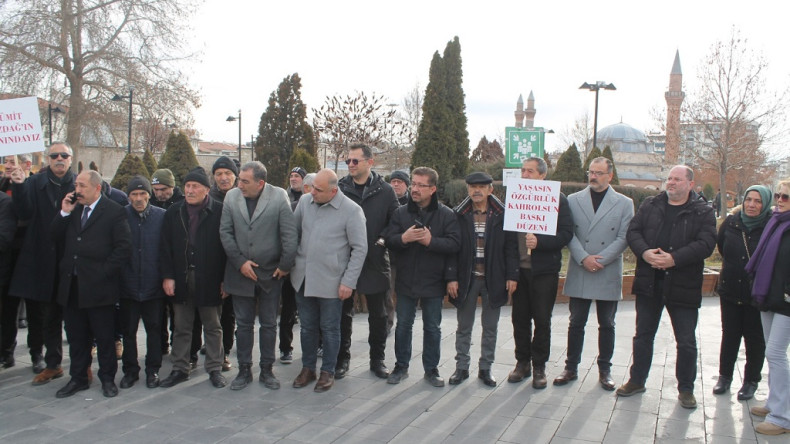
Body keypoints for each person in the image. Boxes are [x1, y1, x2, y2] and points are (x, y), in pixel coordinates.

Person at [616, 165, 716, 410]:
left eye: (677, 179)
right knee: (643, 336)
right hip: (649, 282)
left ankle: (686, 389)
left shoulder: (702, 211)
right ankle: (637, 380)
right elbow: (634, 231)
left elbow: (706, 244)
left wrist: (674, 259)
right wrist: (645, 252)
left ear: (690, 184)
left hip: (683, 285)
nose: (671, 183)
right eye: (669, 178)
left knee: (686, 341)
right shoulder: (651, 204)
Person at [553, 157, 633, 390]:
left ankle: (604, 370)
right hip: (581, 266)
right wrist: (583, 258)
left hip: (607, 269)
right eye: (591, 172)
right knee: (576, 322)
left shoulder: (624, 203)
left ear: (610, 175)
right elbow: (569, 232)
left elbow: (624, 236)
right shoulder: (574, 200)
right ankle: (571, 367)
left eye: (599, 173)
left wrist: (601, 260)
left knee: (607, 323)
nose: (593, 177)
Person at [51, 170, 132, 398]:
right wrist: (64, 212)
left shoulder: (114, 211)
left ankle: (107, 378)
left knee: (104, 336)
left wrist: (103, 272)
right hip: (72, 285)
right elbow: (53, 236)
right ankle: (78, 378)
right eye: (76, 185)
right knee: (76, 336)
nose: (77, 190)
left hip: (99, 287)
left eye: (83, 186)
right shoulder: (73, 209)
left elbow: (123, 248)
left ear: (97, 188)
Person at [220, 161, 297, 391]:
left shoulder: (278, 196)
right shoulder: (231, 198)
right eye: (239, 179)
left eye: (245, 181)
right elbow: (225, 233)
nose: (239, 184)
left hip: (270, 274)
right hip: (240, 272)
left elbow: (289, 234)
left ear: (260, 182)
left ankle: (266, 369)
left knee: (268, 324)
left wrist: (284, 266)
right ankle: (244, 370)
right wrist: (240, 262)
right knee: (243, 324)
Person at [290, 169, 367, 392]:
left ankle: (328, 371)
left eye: (318, 189)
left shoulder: (352, 211)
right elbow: (293, 234)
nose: (312, 192)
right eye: (312, 186)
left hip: (333, 281)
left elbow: (360, 248)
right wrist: (291, 265)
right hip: (303, 278)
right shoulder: (305, 202)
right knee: (307, 328)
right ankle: (308, 368)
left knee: (330, 328)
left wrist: (348, 282)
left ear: (334, 191)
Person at [385, 167, 461, 388]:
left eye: (421, 185)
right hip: (406, 280)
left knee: (432, 328)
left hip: (434, 281)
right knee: (403, 326)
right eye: (414, 184)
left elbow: (455, 244)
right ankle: (401, 366)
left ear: (433, 188)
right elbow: (389, 239)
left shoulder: (446, 214)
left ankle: (431, 369)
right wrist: (404, 238)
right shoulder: (401, 213)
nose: (415, 189)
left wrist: (431, 241)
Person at [9, 143, 75, 383]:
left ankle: (66, 361)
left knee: (67, 313)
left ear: (70, 159)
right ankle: (41, 356)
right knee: (39, 313)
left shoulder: (78, 183)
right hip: (38, 255)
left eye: (64, 155)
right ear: (48, 159)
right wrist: (18, 185)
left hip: (68, 257)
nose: (59, 159)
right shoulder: (34, 182)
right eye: (54, 155)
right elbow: (23, 212)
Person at [446, 172, 518, 387]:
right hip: (466, 279)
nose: (476, 191)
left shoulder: (503, 215)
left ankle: (486, 368)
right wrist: (451, 277)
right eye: (472, 187)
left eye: (481, 187)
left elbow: (511, 248)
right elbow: (452, 249)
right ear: (467, 189)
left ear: (490, 190)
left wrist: (512, 275)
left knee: (490, 328)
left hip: (493, 279)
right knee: (463, 327)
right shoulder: (458, 215)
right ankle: (461, 368)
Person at [159, 167, 228, 389]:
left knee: (213, 325)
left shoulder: (219, 211)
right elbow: (165, 247)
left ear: (206, 189)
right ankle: (180, 368)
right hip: (181, 278)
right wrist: (168, 276)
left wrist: (225, 279)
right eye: (187, 186)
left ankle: (215, 368)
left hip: (210, 277)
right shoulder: (174, 212)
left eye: (195, 186)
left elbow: (228, 248)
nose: (190, 190)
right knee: (181, 326)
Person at [507, 157, 573, 389]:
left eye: (530, 171)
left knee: (542, 320)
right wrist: (511, 272)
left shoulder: (558, 199)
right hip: (520, 271)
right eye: (523, 171)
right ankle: (522, 363)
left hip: (544, 271)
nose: (525, 175)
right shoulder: (514, 196)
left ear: (543, 175)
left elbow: (566, 233)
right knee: (519, 318)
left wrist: (540, 242)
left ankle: (539, 366)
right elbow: (508, 239)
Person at [335, 144, 399, 379]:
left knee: (379, 315)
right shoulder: (340, 188)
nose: (350, 165)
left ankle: (377, 360)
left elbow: (395, 220)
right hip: (345, 260)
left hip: (374, 260)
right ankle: (342, 359)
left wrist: (382, 240)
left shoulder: (385, 190)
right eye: (348, 161)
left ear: (369, 162)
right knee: (343, 313)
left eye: (355, 161)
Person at [712, 185, 771, 400]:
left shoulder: (770, 226)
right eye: (749, 200)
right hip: (730, 289)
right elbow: (722, 246)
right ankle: (724, 376)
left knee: (754, 338)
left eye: (758, 201)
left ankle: (751, 381)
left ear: (765, 204)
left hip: (756, 293)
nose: (752, 205)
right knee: (730, 335)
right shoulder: (731, 222)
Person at [744, 180, 790, 435]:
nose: (780, 200)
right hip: (768, 297)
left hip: (786, 302)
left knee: (775, 353)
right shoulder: (775, 222)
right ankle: (774, 402)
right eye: (778, 195)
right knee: (772, 352)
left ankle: (782, 417)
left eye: (786, 197)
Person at [118, 176, 167, 389]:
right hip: (127, 285)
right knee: (128, 332)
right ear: (129, 197)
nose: (139, 199)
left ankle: (152, 370)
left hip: (153, 286)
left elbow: (167, 250)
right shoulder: (120, 216)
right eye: (134, 195)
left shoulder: (162, 217)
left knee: (154, 330)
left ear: (149, 194)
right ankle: (130, 371)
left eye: (142, 194)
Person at [202, 156, 239, 372]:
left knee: (228, 314)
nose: (223, 178)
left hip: (234, 264)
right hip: (211, 264)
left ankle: (224, 352)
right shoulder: (208, 198)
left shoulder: (241, 197)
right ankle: (211, 347)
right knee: (209, 312)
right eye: (219, 174)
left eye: (227, 173)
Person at [150, 168, 184, 356]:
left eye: (163, 189)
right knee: (157, 313)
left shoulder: (182, 204)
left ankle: (176, 345)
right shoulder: (150, 203)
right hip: (155, 267)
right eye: (155, 189)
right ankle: (162, 345)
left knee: (177, 313)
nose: (159, 193)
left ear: (171, 186)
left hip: (176, 267)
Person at [0, 154, 29, 368]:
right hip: (5, 255)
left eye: (13, 162)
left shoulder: (30, 186)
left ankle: (7, 350)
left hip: (20, 255)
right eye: (6, 162)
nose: (9, 166)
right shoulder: (2, 185)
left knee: (10, 309)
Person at [279, 167, 309, 364]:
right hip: (291, 263)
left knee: (313, 310)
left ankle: (318, 345)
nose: (294, 179)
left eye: (298, 176)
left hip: (311, 265)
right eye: (291, 176)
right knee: (288, 309)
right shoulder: (285, 200)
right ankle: (285, 348)